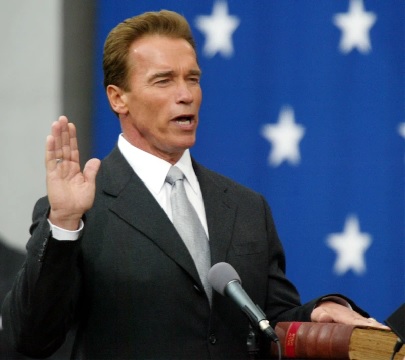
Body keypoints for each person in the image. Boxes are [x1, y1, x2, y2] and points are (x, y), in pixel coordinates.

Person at [2, 10, 388, 360]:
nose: (186, 95)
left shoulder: (246, 206)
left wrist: (318, 312)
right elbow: (32, 338)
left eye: (193, 79)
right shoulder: (80, 210)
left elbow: (271, 322)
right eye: (164, 81)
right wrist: (65, 223)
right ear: (118, 98)